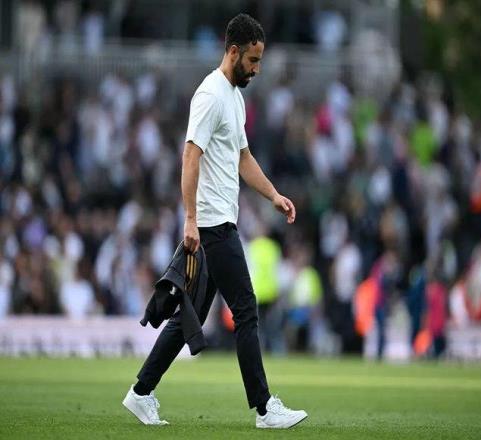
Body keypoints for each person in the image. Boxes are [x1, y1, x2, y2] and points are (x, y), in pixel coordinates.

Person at [122, 13, 308, 429]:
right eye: (253, 61)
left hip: (216, 220)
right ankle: (264, 408)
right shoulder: (210, 95)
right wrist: (190, 219)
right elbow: (190, 156)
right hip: (211, 224)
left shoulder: (234, 97)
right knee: (246, 309)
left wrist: (273, 195)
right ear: (233, 51)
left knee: (187, 315)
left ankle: (140, 392)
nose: (256, 69)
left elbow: (242, 157)